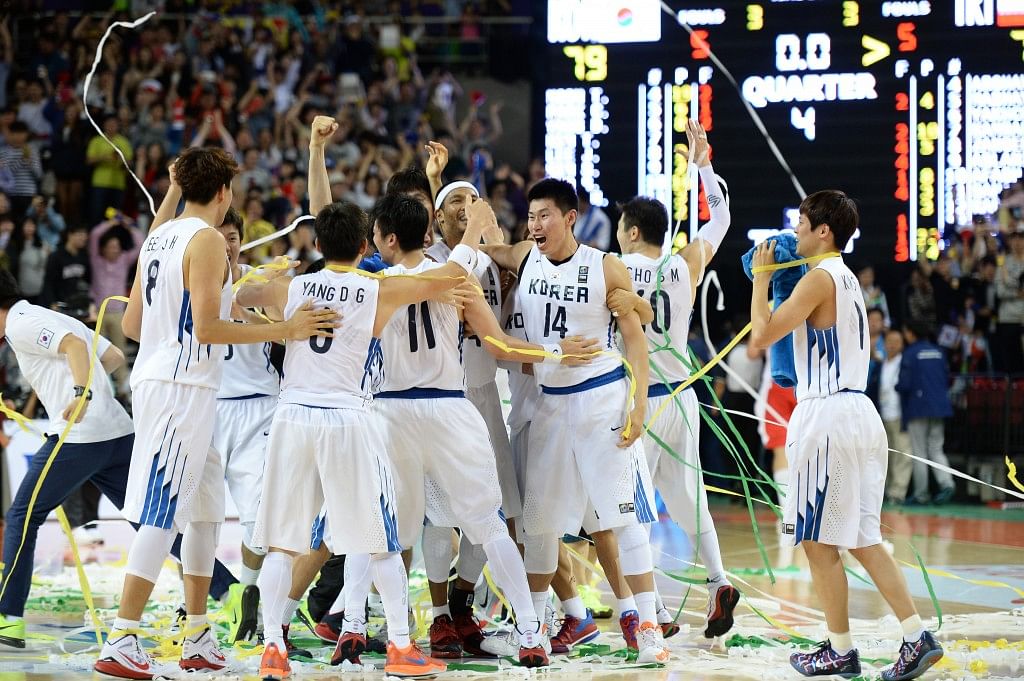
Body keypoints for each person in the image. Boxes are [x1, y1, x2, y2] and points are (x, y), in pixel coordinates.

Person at [234, 114, 489, 679]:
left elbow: (235, 295)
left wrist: (280, 325)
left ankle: (273, 647)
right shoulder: (382, 286)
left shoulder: (289, 285)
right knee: (378, 541)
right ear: (369, 241)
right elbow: (442, 276)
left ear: (318, 241)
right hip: (350, 419)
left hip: (293, 416)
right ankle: (400, 645)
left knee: (282, 544)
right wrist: (471, 238)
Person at [94, 146, 335, 680]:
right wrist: (285, 329)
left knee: (204, 515)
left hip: (179, 383)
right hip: (180, 387)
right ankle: (121, 636)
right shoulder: (204, 239)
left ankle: (198, 631)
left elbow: (133, 324)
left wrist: (246, 296)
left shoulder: (159, 236)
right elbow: (206, 329)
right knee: (162, 514)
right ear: (224, 193)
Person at [339, 191, 596, 667]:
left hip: (391, 413)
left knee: (379, 528)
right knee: (491, 527)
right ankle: (530, 631)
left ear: (387, 239)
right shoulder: (457, 276)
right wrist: (556, 352)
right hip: (450, 410)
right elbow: (500, 345)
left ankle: (355, 625)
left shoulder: (372, 282)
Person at [749, 189, 943, 680]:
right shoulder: (850, 279)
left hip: (829, 417)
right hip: (860, 412)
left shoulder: (818, 279)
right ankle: (916, 635)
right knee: (863, 538)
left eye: (800, 223)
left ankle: (840, 648)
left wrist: (761, 279)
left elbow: (759, 338)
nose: (793, 231)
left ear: (823, 231)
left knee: (818, 542)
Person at [483, 177, 670, 664]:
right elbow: (483, 247)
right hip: (548, 401)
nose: (535, 224)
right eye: (531, 215)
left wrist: (640, 404)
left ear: (570, 217)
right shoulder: (524, 256)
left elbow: (635, 338)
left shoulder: (605, 265)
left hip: (600, 399)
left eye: (545, 214)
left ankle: (649, 626)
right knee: (540, 526)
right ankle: (536, 627)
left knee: (620, 519)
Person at [617, 119, 740, 639]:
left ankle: (654, 613)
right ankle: (718, 581)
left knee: (631, 510)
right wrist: (703, 164)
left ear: (631, 231)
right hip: (684, 397)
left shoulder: (613, 268)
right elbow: (724, 218)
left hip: (640, 402)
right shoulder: (685, 261)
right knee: (693, 504)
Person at [211, 207, 282, 643]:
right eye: (218, 237)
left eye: (233, 237)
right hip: (209, 409)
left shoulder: (260, 281)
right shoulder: (191, 283)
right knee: (191, 521)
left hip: (260, 409)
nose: (227, 245)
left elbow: (284, 332)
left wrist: (247, 309)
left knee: (260, 521)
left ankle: (250, 594)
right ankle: (205, 598)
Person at [897, 321, 955, 506]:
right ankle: (947, 483)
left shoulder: (910, 353)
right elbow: (946, 379)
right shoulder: (939, 352)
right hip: (940, 408)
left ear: (912, 334)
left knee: (919, 452)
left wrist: (897, 387)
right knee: (936, 448)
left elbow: (904, 384)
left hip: (918, 407)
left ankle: (921, 494)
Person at [879, 329, 912, 505]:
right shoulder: (881, 364)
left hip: (900, 415)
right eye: (889, 341)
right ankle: (887, 490)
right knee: (886, 455)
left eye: (896, 341)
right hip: (883, 414)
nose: (892, 345)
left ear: (902, 344)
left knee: (903, 454)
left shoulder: (905, 363)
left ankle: (898, 492)